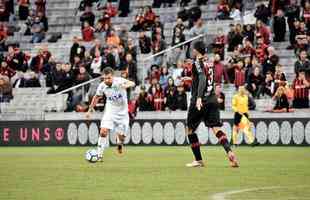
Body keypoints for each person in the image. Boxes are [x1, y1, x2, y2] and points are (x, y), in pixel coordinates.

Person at [185, 41, 239, 168]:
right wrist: (191, 80)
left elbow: (203, 79)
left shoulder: (197, 63)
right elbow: (205, 79)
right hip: (212, 99)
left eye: (193, 49)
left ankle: (198, 160)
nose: (192, 51)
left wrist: (198, 98)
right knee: (216, 129)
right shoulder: (209, 62)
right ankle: (229, 152)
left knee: (190, 129)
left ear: (197, 50)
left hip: (200, 101)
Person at [86, 67, 135, 160]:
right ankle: (99, 156)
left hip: (122, 112)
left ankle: (120, 144)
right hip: (110, 110)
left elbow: (132, 83)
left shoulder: (119, 81)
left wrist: (126, 85)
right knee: (103, 131)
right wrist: (89, 110)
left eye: (108, 78)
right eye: (104, 78)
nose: (106, 80)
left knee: (122, 137)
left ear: (113, 76)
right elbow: (96, 97)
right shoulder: (102, 86)